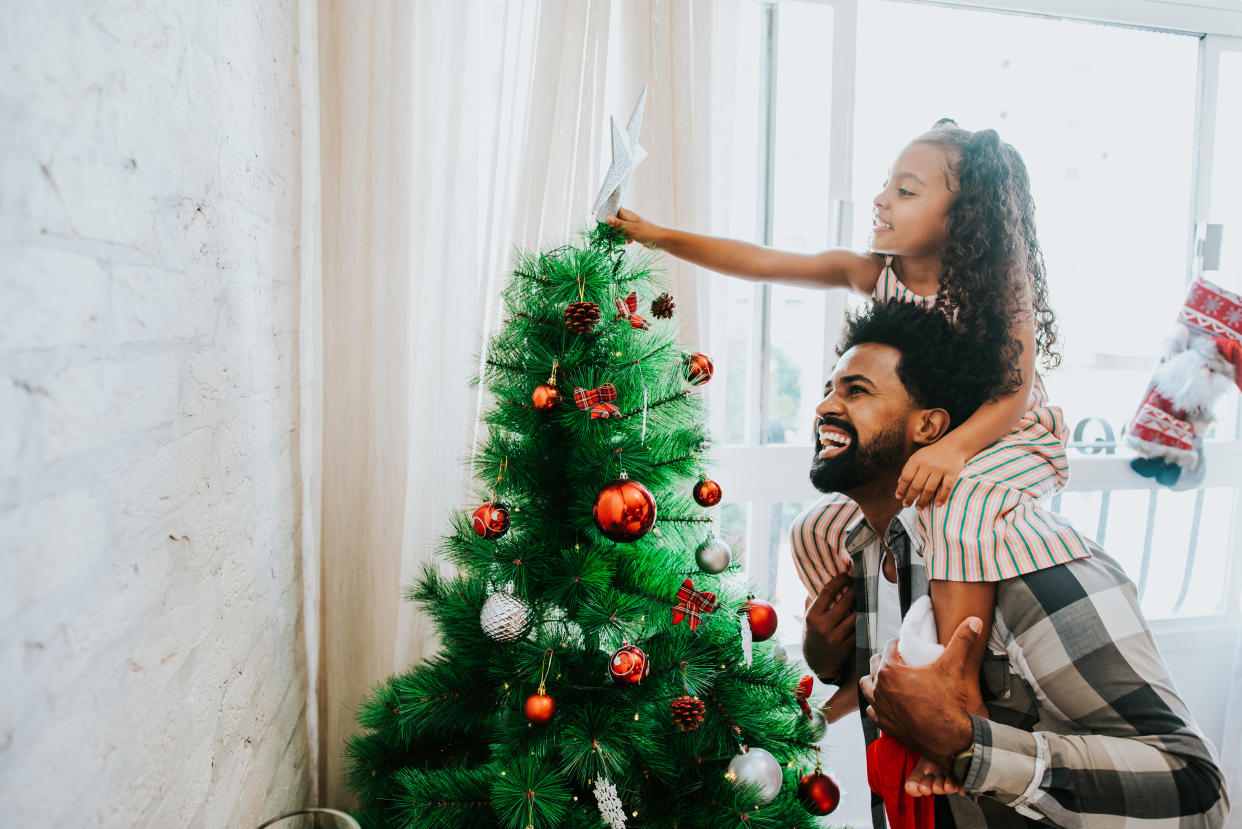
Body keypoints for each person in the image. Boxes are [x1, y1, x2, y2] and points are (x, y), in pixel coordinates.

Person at [609, 120, 1094, 790]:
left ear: (964, 215)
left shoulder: (995, 286)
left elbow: (1012, 394)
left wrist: (954, 448)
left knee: (960, 507)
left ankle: (958, 693)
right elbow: (764, 259)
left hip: (1005, 439)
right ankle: (857, 675)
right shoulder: (876, 274)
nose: (882, 201)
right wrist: (656, 235)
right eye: (885, 186)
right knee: (818, 529)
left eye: (905, 189)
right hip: (933, 443)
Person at [805, 299, 1227, 827]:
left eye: (856, 390)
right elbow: (893, 695)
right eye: (828, 388)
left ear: (931, 426)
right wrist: (825, 659)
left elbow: (1196, 788)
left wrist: (969, 743)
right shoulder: (865, 550)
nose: (824, 406)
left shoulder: (1030, 566)